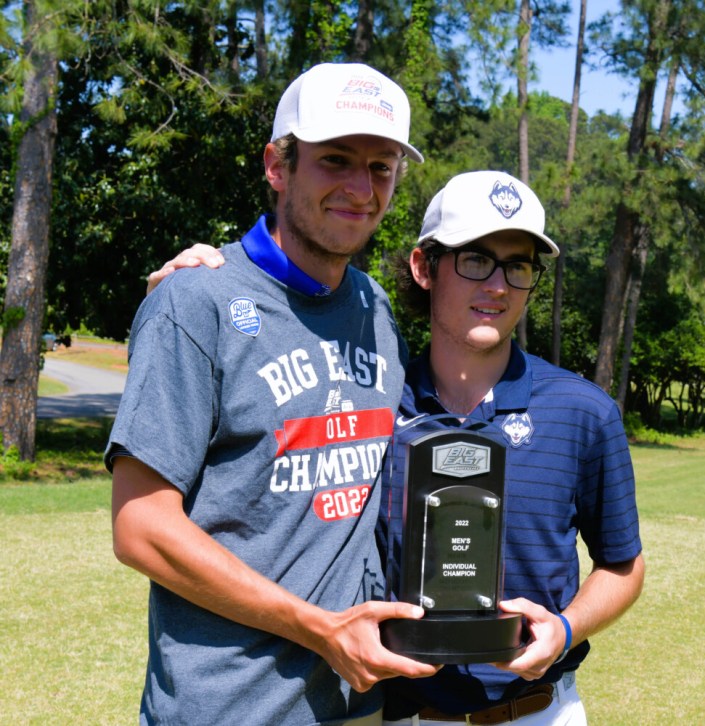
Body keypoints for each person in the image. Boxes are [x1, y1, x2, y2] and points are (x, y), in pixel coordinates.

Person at [154, 170, 645, 725]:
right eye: (475, 259)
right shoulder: (373, 405)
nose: (499, 285)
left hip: (536, 712)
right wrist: (200, 285)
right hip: (398, 714)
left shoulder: (583, 412)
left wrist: (565, 627)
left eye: (520, 265)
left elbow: (624, 566)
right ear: (423, 267)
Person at [106, 62, 440, 726]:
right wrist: (318, 628)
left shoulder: (375, 311)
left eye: (381, 168)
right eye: (336, 160)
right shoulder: (196, 300)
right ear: (277, 165)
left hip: (354, 703)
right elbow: (141, 528)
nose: (360, 187)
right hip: (227, 707)